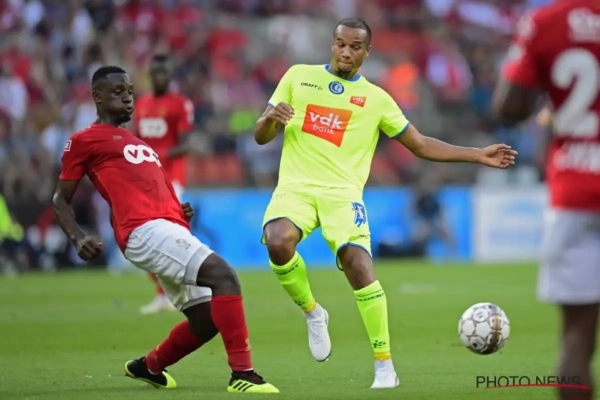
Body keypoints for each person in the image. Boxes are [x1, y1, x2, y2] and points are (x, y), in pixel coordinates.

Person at [254, 18, 517, 389]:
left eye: (354, 47)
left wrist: (477, 154)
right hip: (295, 187)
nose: (346, 52)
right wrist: (270, 118)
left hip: (343, 195)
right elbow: (261, 136)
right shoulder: (298, 77)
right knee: (278, 241)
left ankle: (384, 366)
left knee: (360, 266)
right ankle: (313, 313)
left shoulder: (376, 99)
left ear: (367, 51)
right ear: (332, 44)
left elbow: (420, 145)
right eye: (340, 44)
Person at [53, 65, 279, 394]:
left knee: (207, 319)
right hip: (142, 231)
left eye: (130, 91)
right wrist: (77, 237)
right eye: (118, 92)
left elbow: (151, 191)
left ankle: (149, 366)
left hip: (168, 227)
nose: (127, 98)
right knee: (224, 276)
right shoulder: (84, 140)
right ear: (97, 97)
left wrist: (177, 210)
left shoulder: (138, 143)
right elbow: (60, 199)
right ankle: (242, 374)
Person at [493, 2, 600, 399]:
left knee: (576, 337)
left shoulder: (546, 22)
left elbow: (509, 108)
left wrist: (553, 98)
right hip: (574, 197)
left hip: (576, 191)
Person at [133, 53, 196, 315]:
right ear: (150, 75)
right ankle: (163, 295)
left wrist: (160, 153)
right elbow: (135, 140)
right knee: (143, 234)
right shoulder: (142, 104)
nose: (160, 77)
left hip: (171, 178)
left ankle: (189, 286)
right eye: (156, 73)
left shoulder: (180, 104)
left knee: (171, 232)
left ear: (170, 76)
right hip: (146, 178)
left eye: (164, 73)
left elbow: (186, 144)